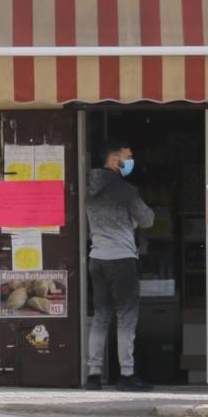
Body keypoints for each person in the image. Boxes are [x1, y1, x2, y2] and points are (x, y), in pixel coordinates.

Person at [85, 138, 155, 392]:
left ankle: (93, 373)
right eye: (128, 156)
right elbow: (147, 219)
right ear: (115, 160)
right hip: (122, 260)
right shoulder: (124, 190)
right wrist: (133, 223)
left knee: (101, 316)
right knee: (126, 318)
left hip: (97, 259)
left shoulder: (87, 187)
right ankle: (126, 373)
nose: (130, 161)